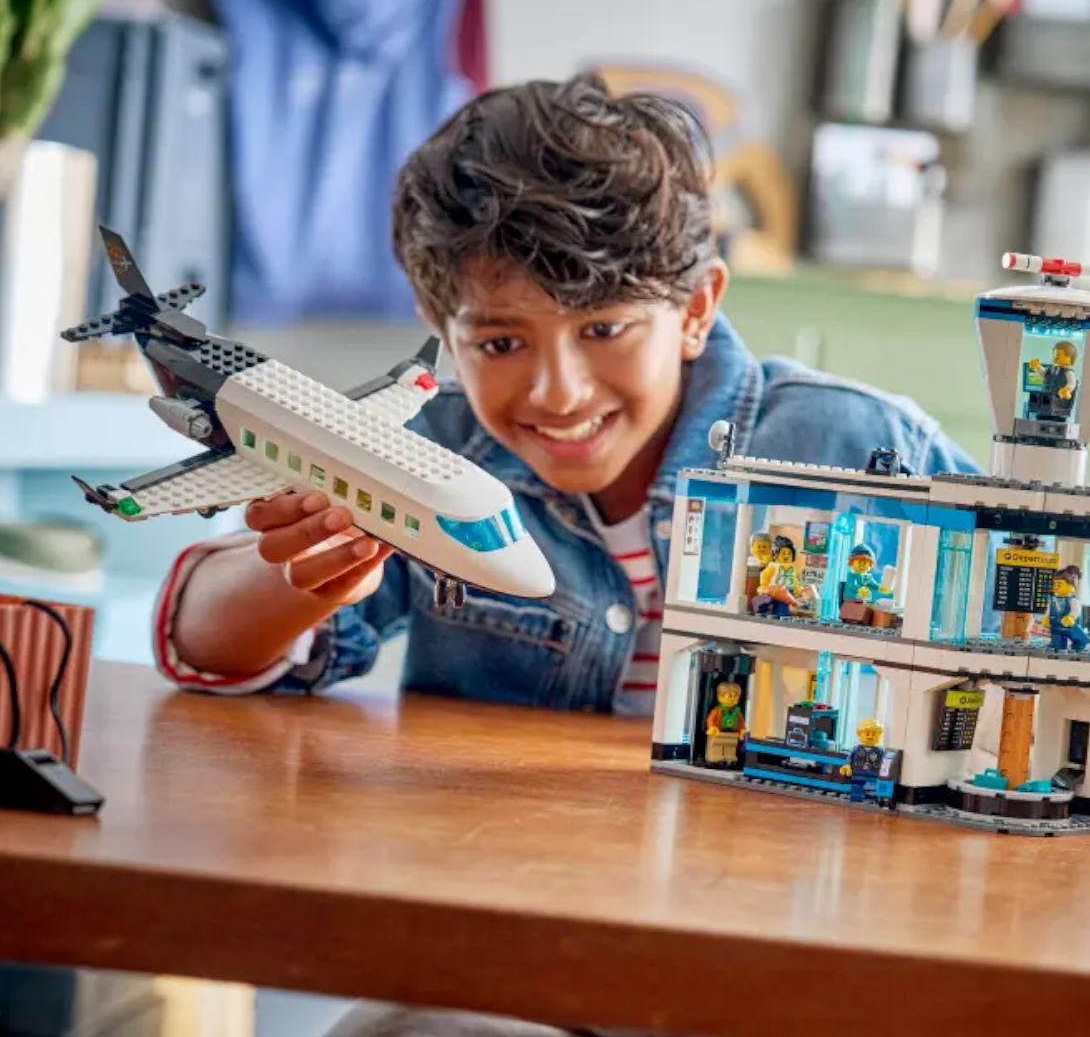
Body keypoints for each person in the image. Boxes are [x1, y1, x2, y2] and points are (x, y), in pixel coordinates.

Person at [155, 73, 975, 717]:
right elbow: (199, 643)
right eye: (502, 343)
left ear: (695, 310)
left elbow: (1053, 608)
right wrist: (299, 576)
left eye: (605, 329)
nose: (557, 391)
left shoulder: (867, 449)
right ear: (443, 330)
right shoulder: (426, 452)